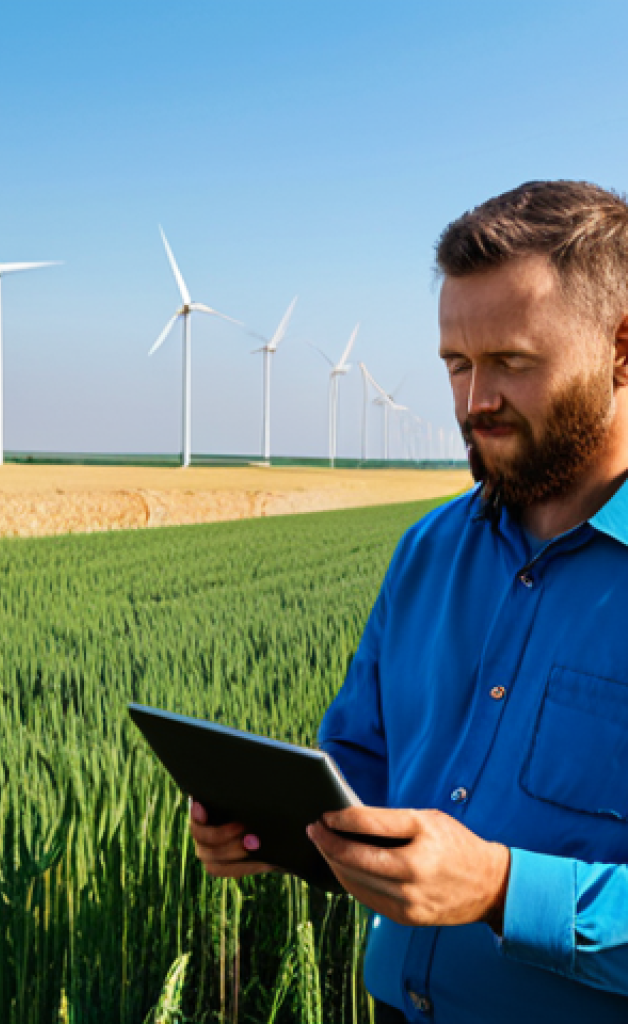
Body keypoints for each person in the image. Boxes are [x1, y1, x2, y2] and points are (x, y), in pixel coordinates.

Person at [189, 180, 628, 1023]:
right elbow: (363, 764)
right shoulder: (428, 552)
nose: (473, 402)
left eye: (511, 362)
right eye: (457, 365)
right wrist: (279, 828)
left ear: (623, 347)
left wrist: (502, 889)